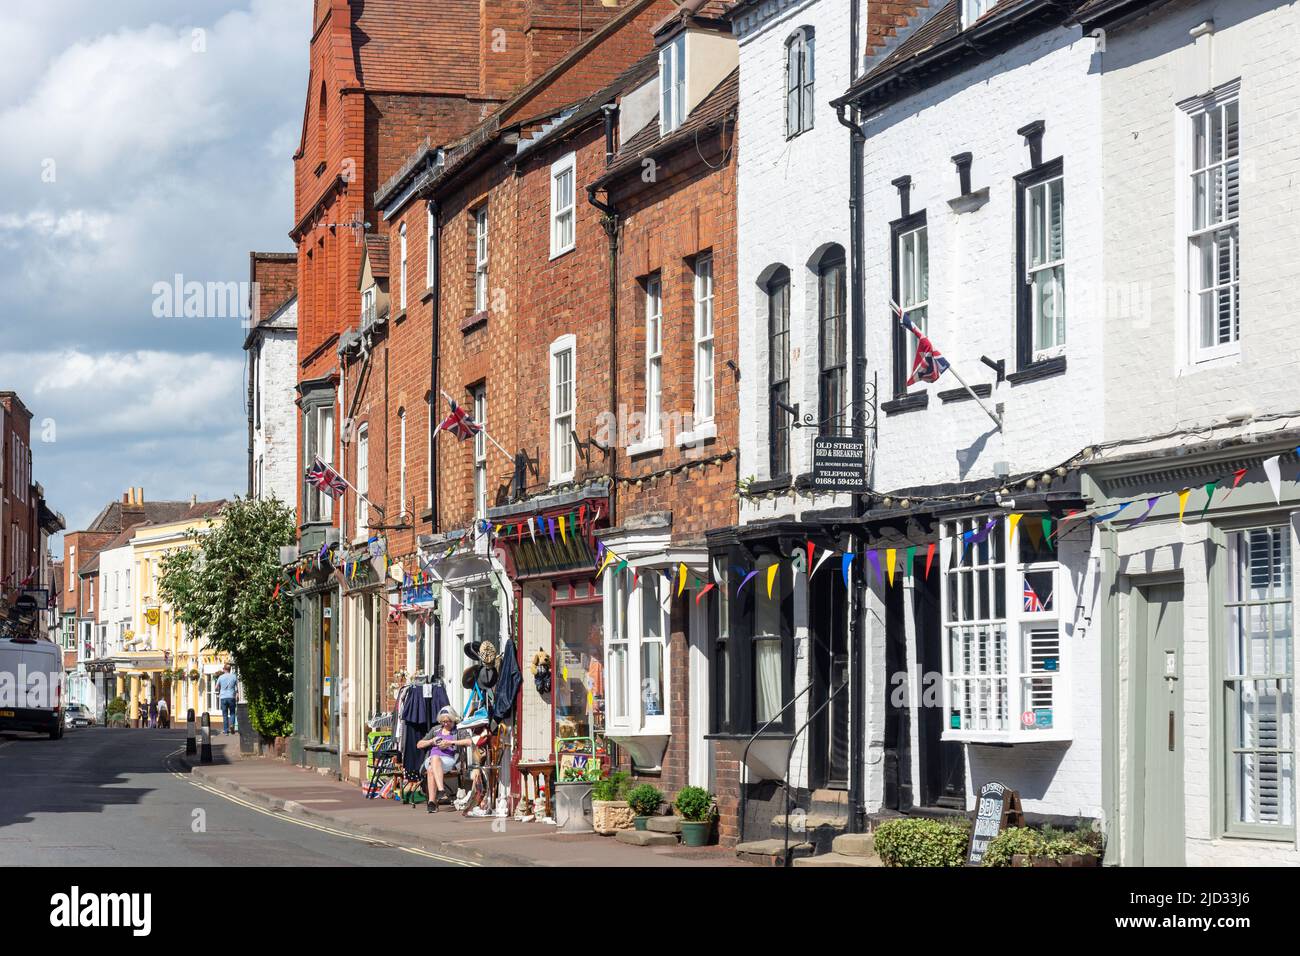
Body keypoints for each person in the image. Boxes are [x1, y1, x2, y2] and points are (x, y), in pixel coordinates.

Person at [415, 706, 461, 813]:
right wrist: (432, 741)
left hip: (448, 760)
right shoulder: (435, 730)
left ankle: (432, 802)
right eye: (443, 721)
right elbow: (419, 744)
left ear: (453, 719)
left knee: (431, 769)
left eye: (448, 721)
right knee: (434, 758)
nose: (445, 724)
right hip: (432, 759)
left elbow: (468, 741)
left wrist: (450, 743)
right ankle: (441, 791)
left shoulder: (457, 730)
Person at [216, 664, 239, 735]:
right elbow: (237, 688)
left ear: (224, 669)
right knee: (232, 713)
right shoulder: (234, 677)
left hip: (223, 697)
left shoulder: (220, 677)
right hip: (231, 697)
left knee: (225, 714)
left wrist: (219, 689)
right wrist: (237, 696)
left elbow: (216, 687)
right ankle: (232, 725)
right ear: (230, 669)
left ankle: (226, 731)